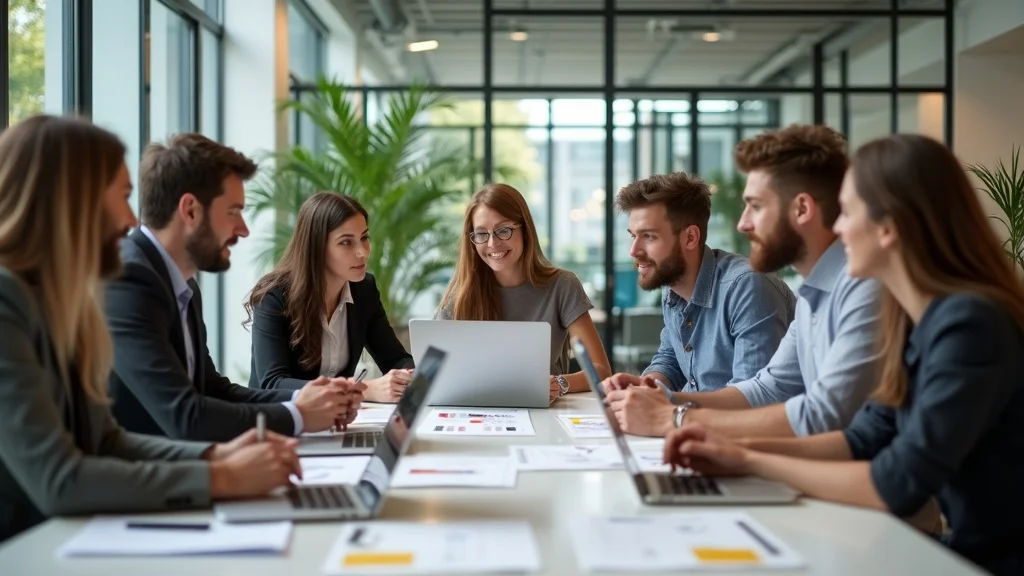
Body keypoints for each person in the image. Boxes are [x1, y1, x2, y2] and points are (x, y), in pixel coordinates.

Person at [663, 134, 1024, 576]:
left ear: (888, 226)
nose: (837, 228)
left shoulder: (969, 323)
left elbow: (896, 481)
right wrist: (731, 450)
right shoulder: (920, 318)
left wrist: (748, 459)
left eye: (848, 212)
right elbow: (868, 435)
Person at [0, 115, 301, 543]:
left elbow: (107, 441)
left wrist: (216, 457)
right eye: (122, 197)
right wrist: (220, 479)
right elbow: (59, 478)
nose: (129, 219)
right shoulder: (7, 299)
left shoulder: (67, 300)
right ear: (69, 201)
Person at [605, 124, 881, 439]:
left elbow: (824, 416)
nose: (742, 224)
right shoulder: (812, 294)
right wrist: (660, 400)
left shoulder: (864, 288)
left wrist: (676, 419)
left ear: (803, 208)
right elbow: (768, 387)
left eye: (756, 206)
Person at [105, 133, 364, 442]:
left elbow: (212, 389)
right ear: (190, 210)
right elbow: (186, 415)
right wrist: (299, 416)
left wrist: (306, 399)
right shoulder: (128, 280)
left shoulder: (182, 283)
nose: (243, 229)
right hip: (146, 481)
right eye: (233, 212)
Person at [599, 172, 795, 436]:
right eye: (633, 235)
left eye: (649, 236)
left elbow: (755, 400)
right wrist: (646, 386)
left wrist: (668, 412)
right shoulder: (674, 288)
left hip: (741, 441)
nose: (633, 251)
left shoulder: (748, 287)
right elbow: (671, 358)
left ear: (691, 238)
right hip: (694, 431)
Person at [436, 183, 611, 403]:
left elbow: (600, 370)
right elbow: (432, 373)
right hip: (475, 412)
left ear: (525, 230)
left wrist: (559, 384)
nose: (492, 243)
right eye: (481, 233)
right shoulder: (459, 295)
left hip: (544, 413)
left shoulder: (562, 285)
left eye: (503, 230)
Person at [245, 192, 415, 402]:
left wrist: (411, 376)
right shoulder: (275, 296)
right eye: (346, 242)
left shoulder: (364, 289)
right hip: (280, 422)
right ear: (316, 247)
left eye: (364, 238)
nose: (362, 252)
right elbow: (273, 383)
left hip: (338, 420)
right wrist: (361, 389)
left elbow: (395, 358)